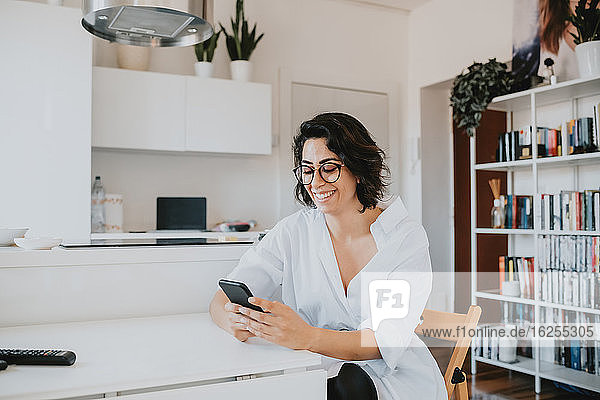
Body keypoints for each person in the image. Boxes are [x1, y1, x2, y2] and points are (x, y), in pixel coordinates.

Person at [209, 112, 446, 399]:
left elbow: (383, 342)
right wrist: (234, 322)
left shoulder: (404, 238)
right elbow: (221, 299)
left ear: (358, 169)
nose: (316, 182)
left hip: (393, 379)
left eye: (329, 168)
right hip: (315, 371)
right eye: (308, 170)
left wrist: (306, 336)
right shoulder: (293, 231)